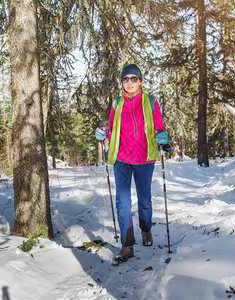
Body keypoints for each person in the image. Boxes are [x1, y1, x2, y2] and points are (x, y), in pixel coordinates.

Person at [95, 63, 169, 262]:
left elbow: (159, 127)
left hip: (145, 159)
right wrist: (104, 132)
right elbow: (111, 128)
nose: (129, 83)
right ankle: (127, 245)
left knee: (144, 199)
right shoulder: (117, 103)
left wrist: (162, 137)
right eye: (125, 79)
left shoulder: (151, 102)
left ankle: (146, 229)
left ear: (140, 81)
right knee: (122, 203)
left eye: (133, 79)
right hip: (121, 159)